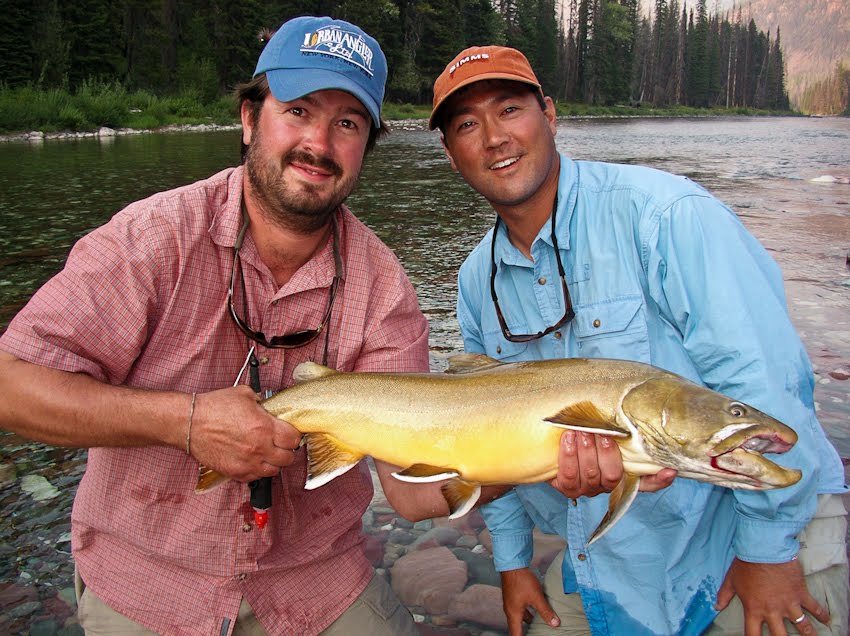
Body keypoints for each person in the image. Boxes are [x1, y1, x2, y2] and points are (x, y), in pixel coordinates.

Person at [0, 16, 433, 636]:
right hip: (151, 582)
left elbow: (414, 493)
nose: (319, 143)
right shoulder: (151, 240)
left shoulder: (384, 286)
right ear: (250, 118)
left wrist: (540, 457)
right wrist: (185, 422)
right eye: (299, 110)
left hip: (318, 581)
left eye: (347, 123)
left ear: (366, 145)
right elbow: (10, 385)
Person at [428, 45, 849, 636]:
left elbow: (765, 381)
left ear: (549, 114)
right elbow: (481, 432)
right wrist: (513, 562)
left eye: (509, 109)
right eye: (467, 124)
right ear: (450, 154)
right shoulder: (477, 283)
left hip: (746, 539)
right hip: (613, 560)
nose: (494, 137)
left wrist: (768, 551)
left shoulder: (665, 215)